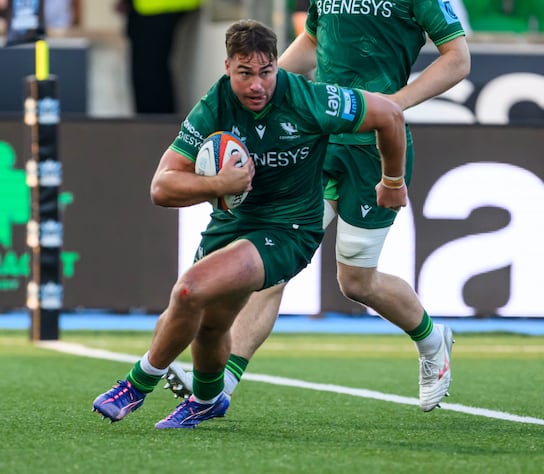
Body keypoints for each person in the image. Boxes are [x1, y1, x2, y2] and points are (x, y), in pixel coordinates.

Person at [91, 19, 408, 429]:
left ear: (277, 66)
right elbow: (161, 187)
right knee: (210, 325)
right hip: (232, 222)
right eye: (245, 73)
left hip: (288, 228)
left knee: (190, 290)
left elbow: (390, 115)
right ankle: (207, 399)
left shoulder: (310, 99)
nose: (257, 84)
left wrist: (393, 182)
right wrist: (218, 184)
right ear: (227, 68)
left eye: (266, 71)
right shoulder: (214, 107)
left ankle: (137, 383)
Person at [163, 0, 470, 413]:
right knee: (269, 264)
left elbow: (458, 59)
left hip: (372, 148)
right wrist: (265, 84)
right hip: (316, 139)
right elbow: (312, 39)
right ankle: (224, 383)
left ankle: (433, 341)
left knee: (356, 282)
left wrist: (394, 104)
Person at [115, 0, 202, 114]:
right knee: (153, 70)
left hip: (153, 7)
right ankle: (160, 122)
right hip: (153, 7)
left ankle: (157, 124)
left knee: (149, 72)